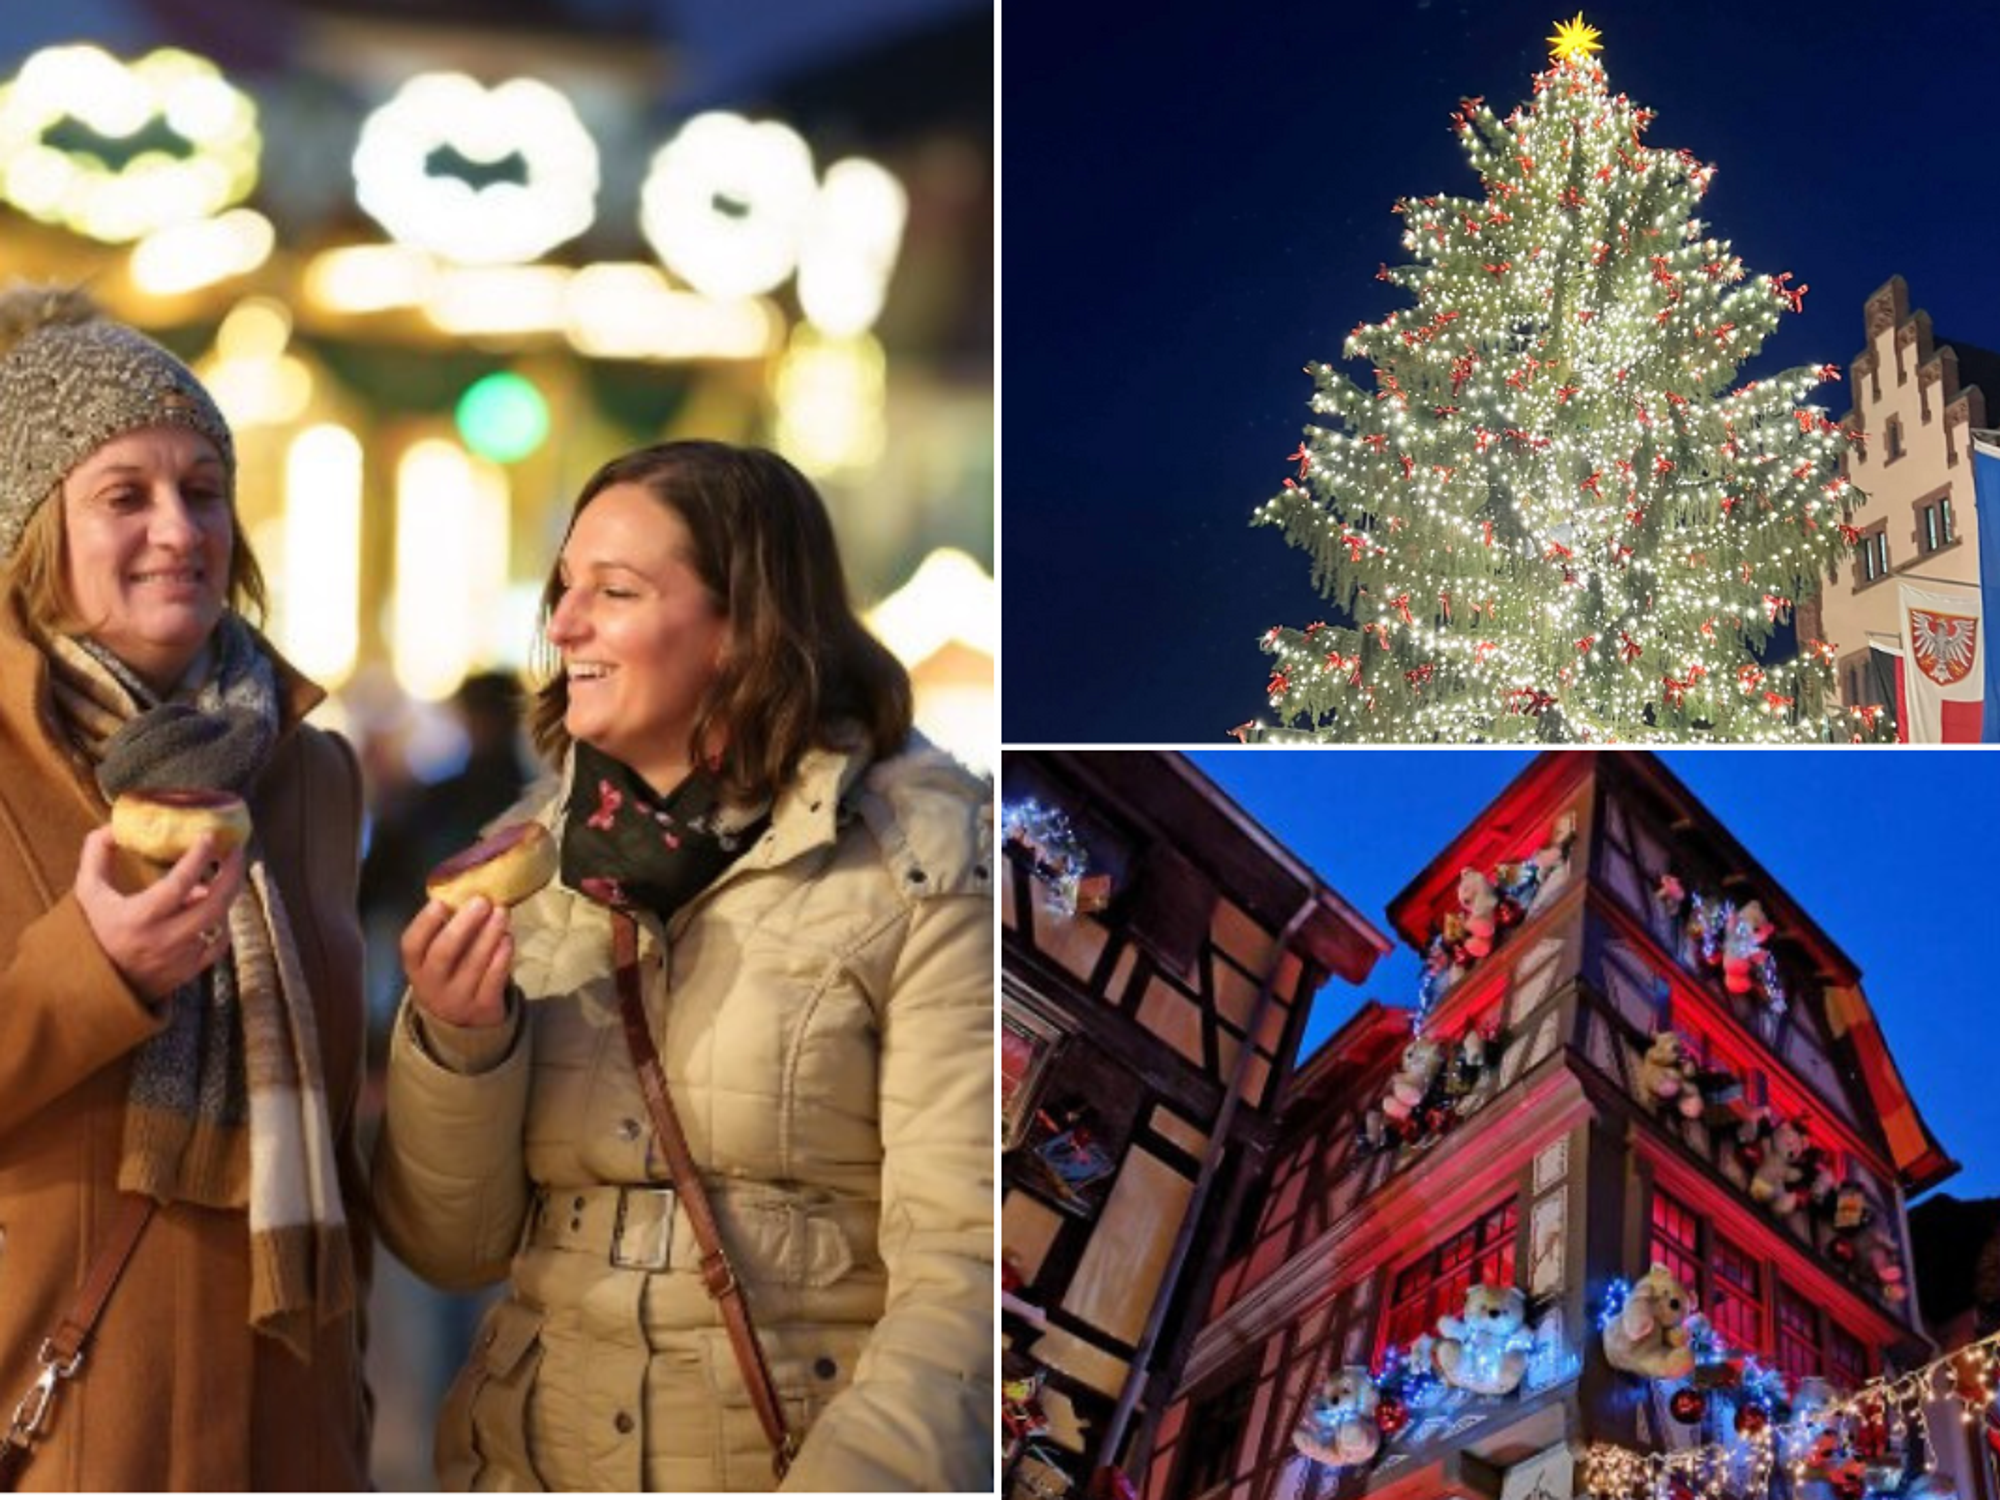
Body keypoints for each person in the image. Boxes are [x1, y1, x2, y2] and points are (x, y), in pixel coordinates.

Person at [372, 440, 993, 1491]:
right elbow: (451, 1248)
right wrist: (460, 1042)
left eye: (614, 592)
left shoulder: (923, 864)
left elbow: (963, 1273)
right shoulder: (530, 860)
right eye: (565, 588)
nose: (564, 624)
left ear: (743, 627)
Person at [0, 286, 371, 1487]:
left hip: (286, 1433)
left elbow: (334, 1137)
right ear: (31, 528)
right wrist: (93, 975)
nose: (179, 529)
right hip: (68, 1429)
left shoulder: (308, 774)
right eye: (126, 496)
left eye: (202, 490)